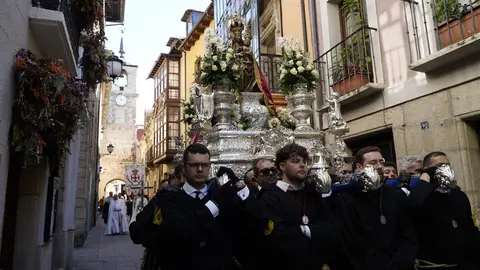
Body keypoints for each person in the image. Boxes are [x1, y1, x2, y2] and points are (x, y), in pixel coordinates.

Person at [130, 143, 249, 270]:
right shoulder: (168, 197)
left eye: (204, 165)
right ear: (183, 168)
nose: (199, 169)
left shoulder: (221, 196)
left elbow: (250, 225)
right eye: (194, 165)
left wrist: (240, 185)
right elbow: (139, 233)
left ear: (209, 167)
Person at [331, 146, 417, 269]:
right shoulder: (347, 198)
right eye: (373, 162)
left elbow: (407, 232)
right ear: (360, 167)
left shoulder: (396, 194)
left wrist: (401, 261)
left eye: (381, 162)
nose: (379, 166)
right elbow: (351, 241)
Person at [258, 143, 341, 269]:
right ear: (282, 166)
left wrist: (301, 230)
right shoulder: (269, 196)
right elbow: (278, 236)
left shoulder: (312, 194)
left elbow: (331, 230)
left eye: (304, 162)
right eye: (295, 161)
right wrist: (312, 232)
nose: (302, 165)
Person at [409, 151, 480, 269]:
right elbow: (414, 204)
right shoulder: (423, 194)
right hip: (436, 264)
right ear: (427, 170)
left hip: (464, 263)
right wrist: (425, 178)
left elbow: (471, 228)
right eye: (440, 166)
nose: (445, 169)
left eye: (447, 165)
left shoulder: (459, 194)